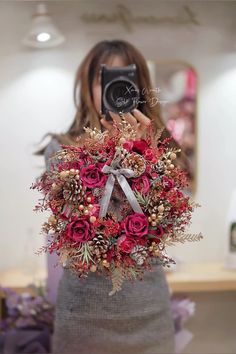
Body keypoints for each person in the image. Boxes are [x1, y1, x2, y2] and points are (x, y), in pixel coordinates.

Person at [38, 39, 175, 354]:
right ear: (88, 86)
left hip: (149, 315)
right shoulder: (60, 150)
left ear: (139, 87)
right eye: (105, 79)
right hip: (82, 318)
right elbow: (82, 227)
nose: (117, 89)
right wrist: (111, 151)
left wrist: (145, 156)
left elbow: (163, 225)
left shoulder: (161, 149)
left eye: (125, 79)